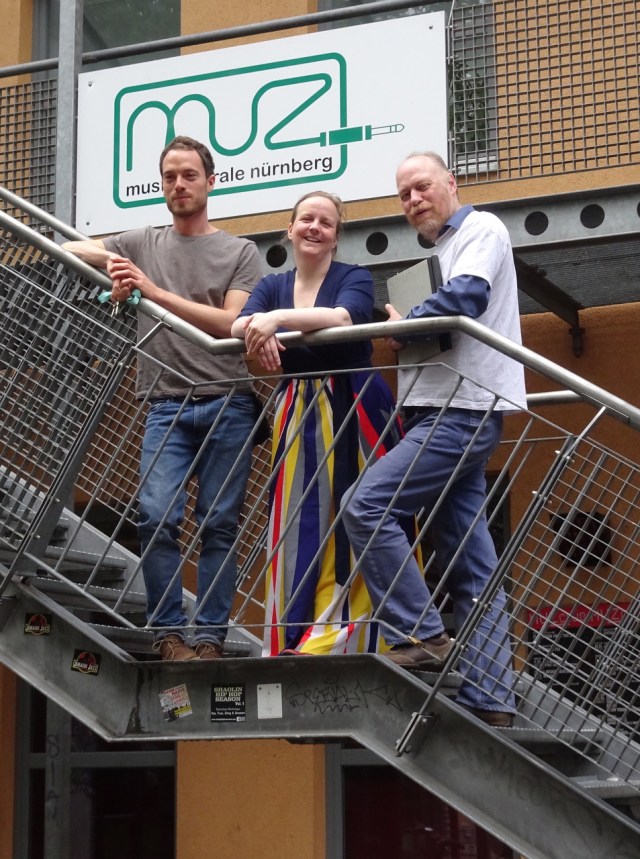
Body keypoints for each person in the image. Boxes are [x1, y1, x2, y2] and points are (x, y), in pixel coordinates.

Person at [341, 152, 527, 726]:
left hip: (460, 412)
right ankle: (492, 696)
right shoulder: (441, 253)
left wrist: (406, 322)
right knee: (470, 563)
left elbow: (466, 297)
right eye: (404, 194)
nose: (413, 200)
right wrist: (410, 325)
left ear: (452, 182)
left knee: (365, 505)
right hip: (440, 411)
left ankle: (420, 634)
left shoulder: (480, 229)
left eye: (421, 187)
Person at [63, 135, 262, 661]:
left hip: (228, 401)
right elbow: (71, 249)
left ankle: (210, 639)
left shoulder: (240, 251)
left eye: (189, 175)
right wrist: (115, 268)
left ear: (210, 182)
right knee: (155, 518)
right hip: (165, 403)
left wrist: (149, 290)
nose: (179, 184)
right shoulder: (141, 243)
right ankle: (169, 635)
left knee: (219, 525)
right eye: (170, 176)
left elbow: (231, 323)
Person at [231, 190, 404, 656]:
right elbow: (236, 326)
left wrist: (274, 322)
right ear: (289, 229)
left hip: (355, 403)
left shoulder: (354, 276)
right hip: (297, 407)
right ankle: (295, 635)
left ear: (336, 236)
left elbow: (343, 317)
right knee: (295, 520)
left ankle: (355, 639)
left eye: (326, 223)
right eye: (306, 219)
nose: (315, 228)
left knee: (359, 516)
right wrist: (260, 326)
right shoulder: (272, 283)